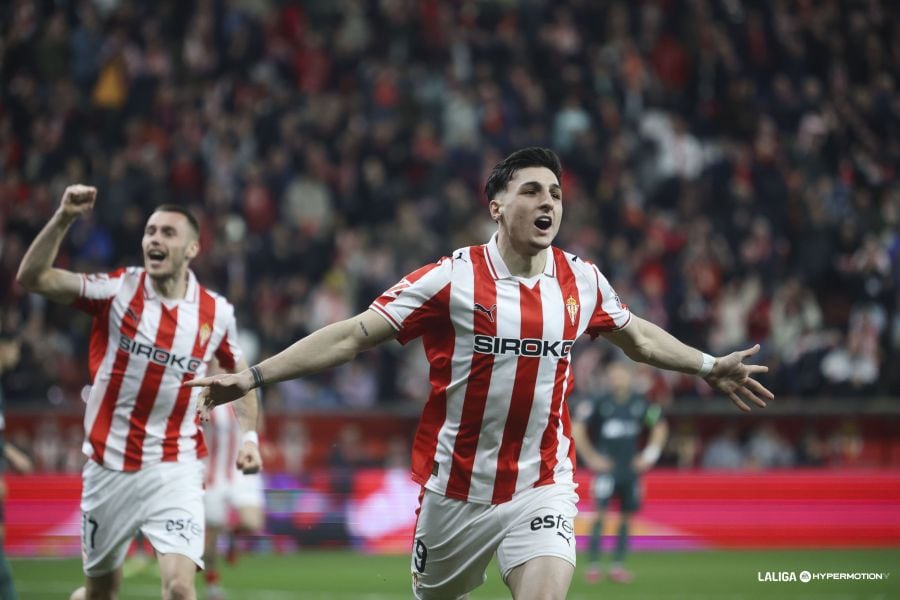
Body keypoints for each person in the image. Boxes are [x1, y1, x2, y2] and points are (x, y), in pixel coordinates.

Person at [189, 147, 772, 600]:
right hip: (457, 491)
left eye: (556, 194)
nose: (549, 203)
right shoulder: (452, 278)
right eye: (531, 191)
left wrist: (706, 365)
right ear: (495, 205)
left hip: (542, 482)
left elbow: (638, 336)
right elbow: (354, 334)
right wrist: (255, 377)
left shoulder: (583, 280)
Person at [15, 185, 262, 600]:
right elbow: (32, 277)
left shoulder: (216, 313)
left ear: (192, 249)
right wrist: (63, 217)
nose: (155, 240)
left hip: (175, 466)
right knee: (99, 594)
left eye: (168, 232)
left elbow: (242, 379)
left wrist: (250, 438)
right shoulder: (116, 291)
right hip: (108, 467)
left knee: (181, 589)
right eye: (150, 231)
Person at [571, 361, 668, 584]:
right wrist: (591, 457)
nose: (617, 380)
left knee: (626, 518)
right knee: (600, 516)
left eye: (621, 375)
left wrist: (649, 455)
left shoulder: (640, 403)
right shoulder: (599, 402)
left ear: (629, 377)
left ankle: (617, 566)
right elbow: (578, 426)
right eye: (613, 375)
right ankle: (593, 566)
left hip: (630, 471)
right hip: (607, 470)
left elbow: (660, 426)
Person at [202, 392, 265, 600]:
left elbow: (258, 422)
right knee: (211, 533)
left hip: (240, 471)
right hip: (213, 473)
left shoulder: (246, 390)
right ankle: (213, 585)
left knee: (253, 523)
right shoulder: (205, 391)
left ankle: (230, 533)